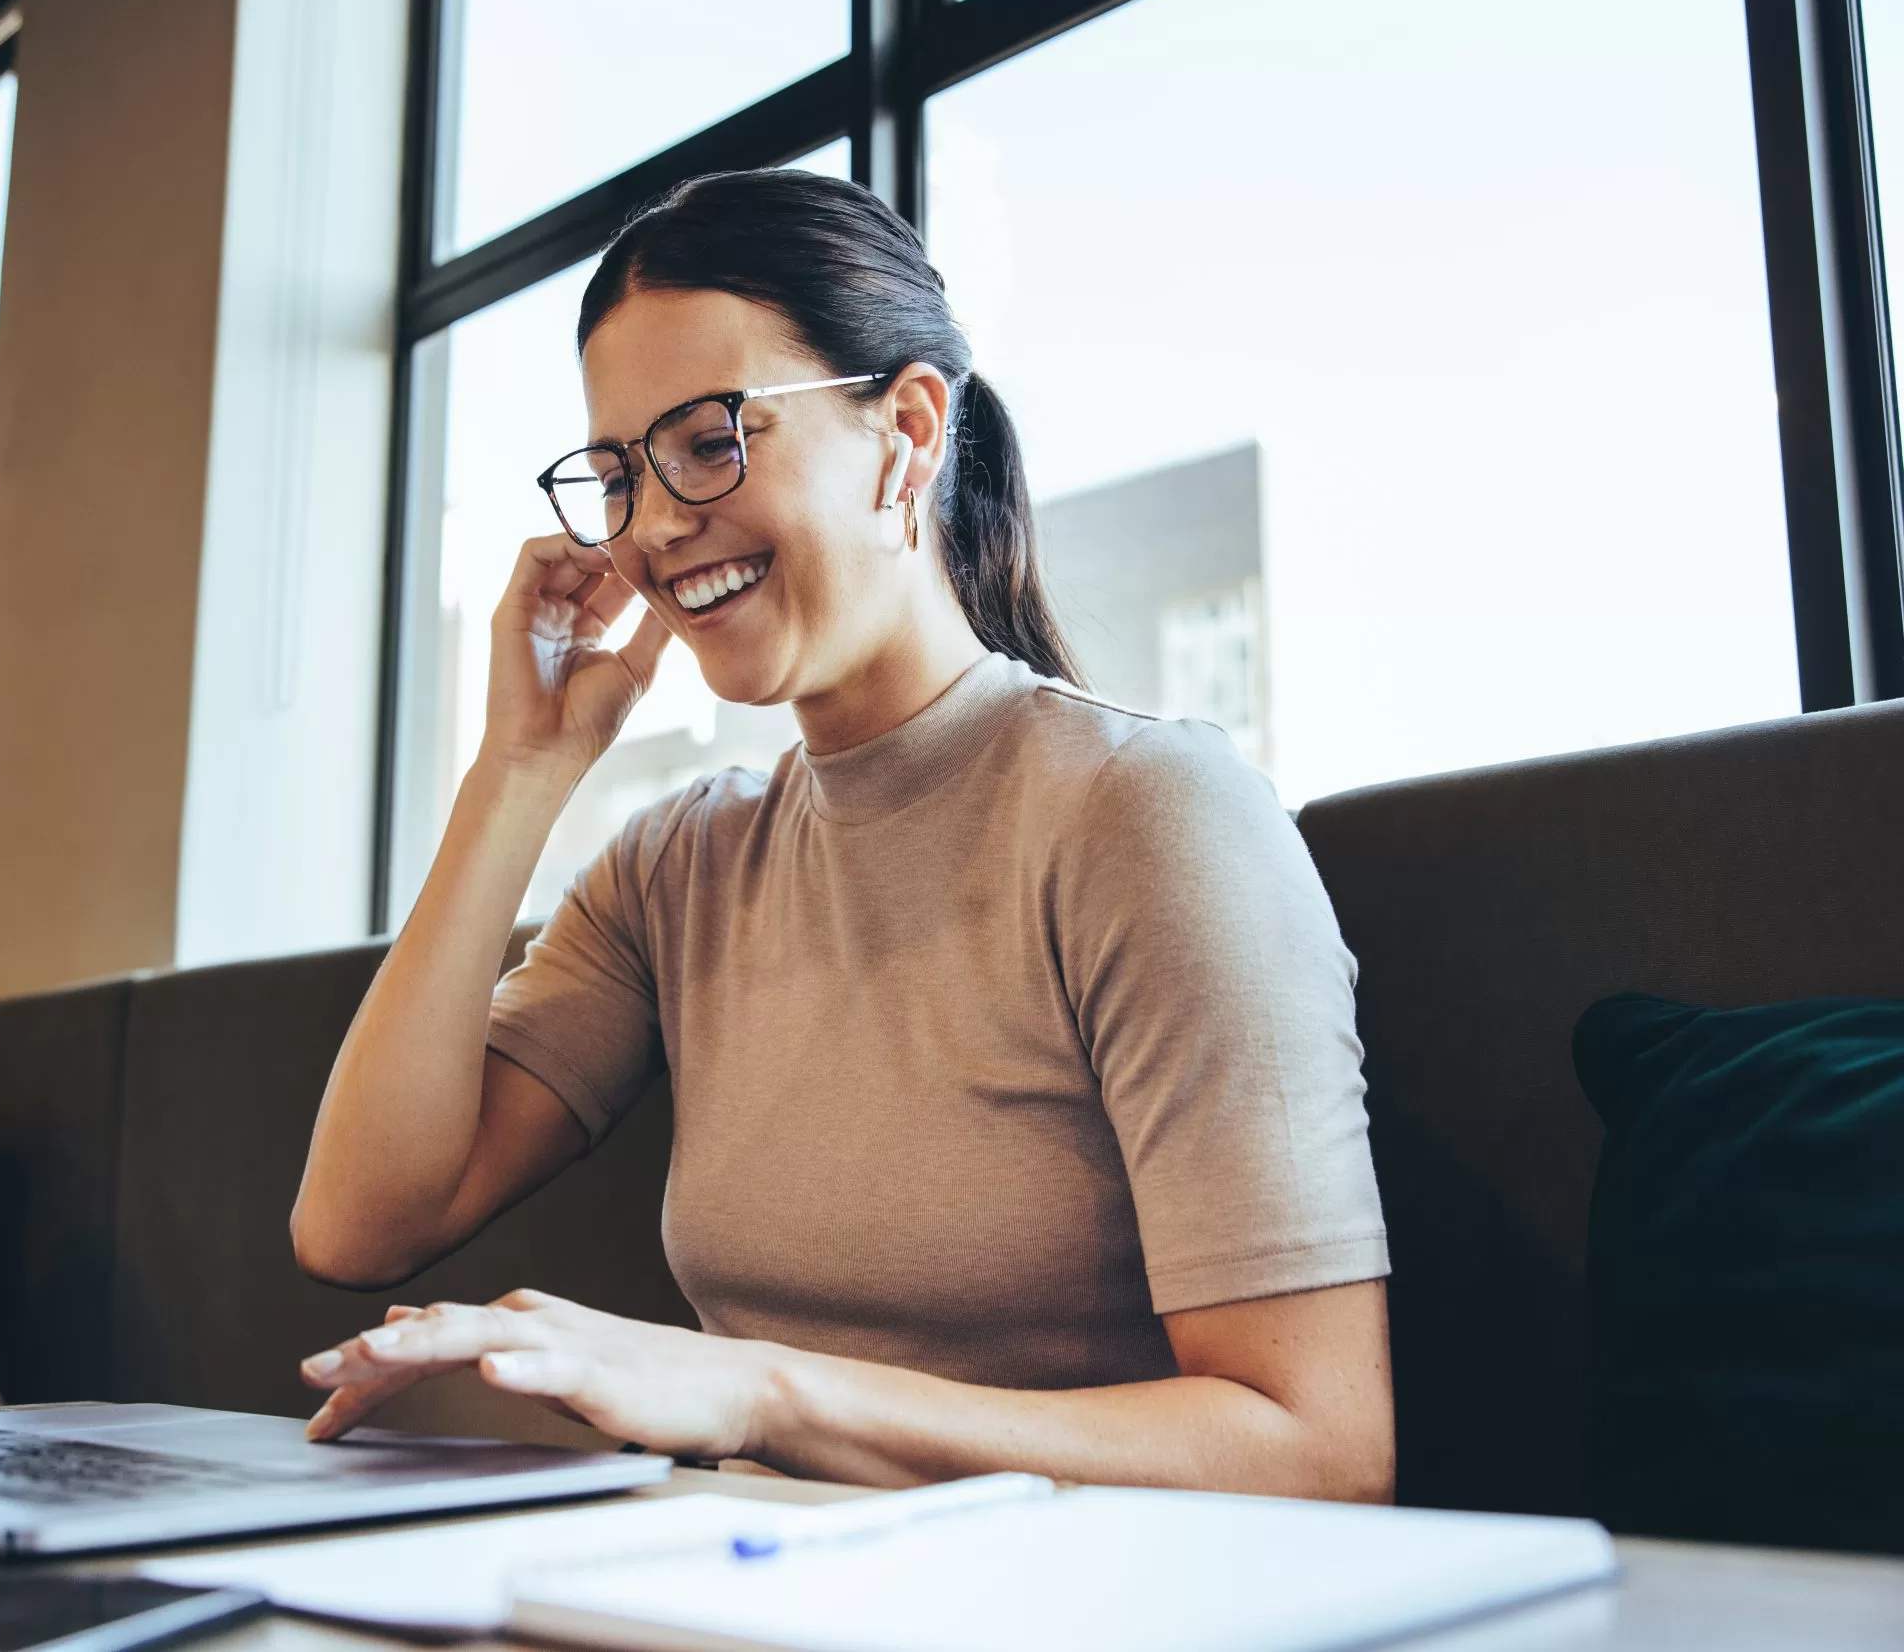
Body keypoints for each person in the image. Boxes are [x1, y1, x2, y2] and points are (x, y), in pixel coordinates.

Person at [289, 170, 1394, 1499]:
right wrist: (521, 772)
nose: (653, 527)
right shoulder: (676, 867)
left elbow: (1322, 1450)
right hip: (743, 1591)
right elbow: (358, 1222)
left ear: (909, 433)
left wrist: (757, 1393)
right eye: (621, 475)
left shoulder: (1145, 814)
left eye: (709, 440)